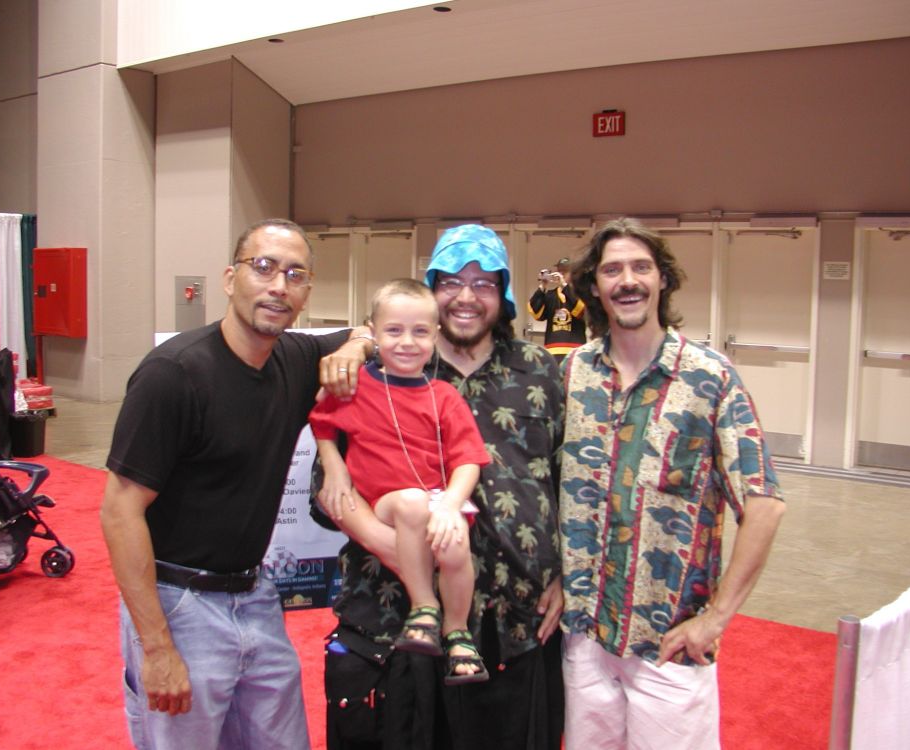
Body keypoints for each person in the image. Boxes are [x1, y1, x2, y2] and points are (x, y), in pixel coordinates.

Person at [100, 218, 373, 750]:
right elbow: (119, 512)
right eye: (263, 267)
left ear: (306, 292)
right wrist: (155, 649)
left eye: (295, 274)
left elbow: (370, 327)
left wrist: (356, 346)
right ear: (230, 278)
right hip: (178, 602)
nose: (278, 286)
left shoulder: (295, 358)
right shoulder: (173, 375)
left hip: (255, 594)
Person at [314, 224, 565, 750]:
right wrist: (401, 552)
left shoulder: (543, 372)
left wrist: (567, 578)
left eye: (485, 283)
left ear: (506, 295)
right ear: (431, 288)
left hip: (517, 623)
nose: (467, 296)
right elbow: (329, 491)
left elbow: (575, 486)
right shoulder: (386, 367)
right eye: (451, 281)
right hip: (398, 621)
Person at [558, 217, 786, 749]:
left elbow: (764, 504)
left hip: (669, 644)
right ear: (595, 287)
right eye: (612, 270)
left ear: (663, 279)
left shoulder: (710, 377)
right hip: (584, 639)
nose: (627, 280)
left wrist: (716, 619)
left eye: (641, 267)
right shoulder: (573, 375)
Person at [310, 278, 491, 684]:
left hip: (435, 500)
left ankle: (457, 633)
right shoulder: (355, 387)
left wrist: (449, 507)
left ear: (435, 335)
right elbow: (320, 423)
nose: (407, 342)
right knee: (410, 502)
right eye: (394, 331)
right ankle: (424, 606)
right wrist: (334, 465)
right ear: (372, 333)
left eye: (420, 332)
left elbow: (469, 460)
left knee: (457, 540)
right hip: (386, 502)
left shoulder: (443, 394)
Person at [527, 256, 586, 364]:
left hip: (576, 351)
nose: (561, 274)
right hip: (552, 351)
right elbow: (536, 313)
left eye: (565, 271)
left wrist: (564, 286)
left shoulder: (581, 293)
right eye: (559, 271)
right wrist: (543, 286)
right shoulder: (550, 295)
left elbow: (582, 311)